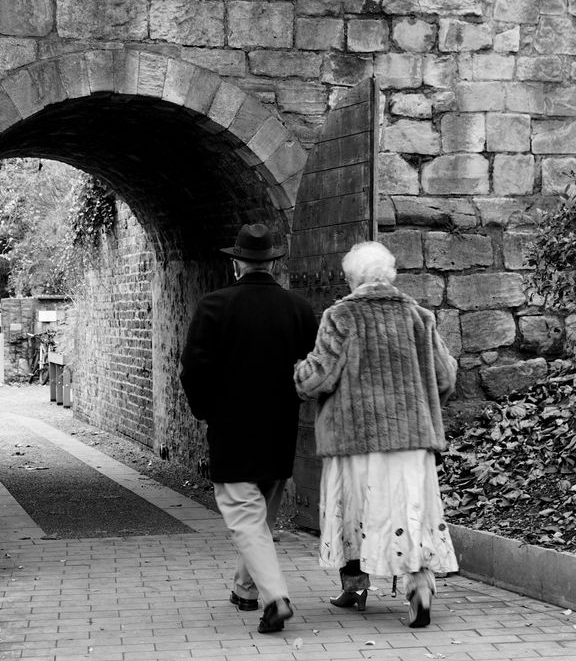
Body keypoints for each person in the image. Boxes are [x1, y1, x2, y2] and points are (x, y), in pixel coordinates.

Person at [293, 241, 458, 628]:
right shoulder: (419, 317)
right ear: (390, 276)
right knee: (410, 509)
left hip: (356, 438)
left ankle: (355, 585)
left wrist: (298, 373)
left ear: (352, 279)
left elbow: (320, 376)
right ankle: (420, 585)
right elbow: (446, 376)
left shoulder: (341, 316)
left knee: (354, 513)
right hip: (412, 437)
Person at [180, 223, 318, 634]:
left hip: (232, 428)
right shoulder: (298, 308)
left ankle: (276, 597)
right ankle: (245, 588)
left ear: (237, 262)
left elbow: (193, 370)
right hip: (279, 428)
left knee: (244, 514)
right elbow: (310, 369)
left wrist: (206, 411)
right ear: (272, 262)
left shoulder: (213, 306)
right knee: (260, 513)